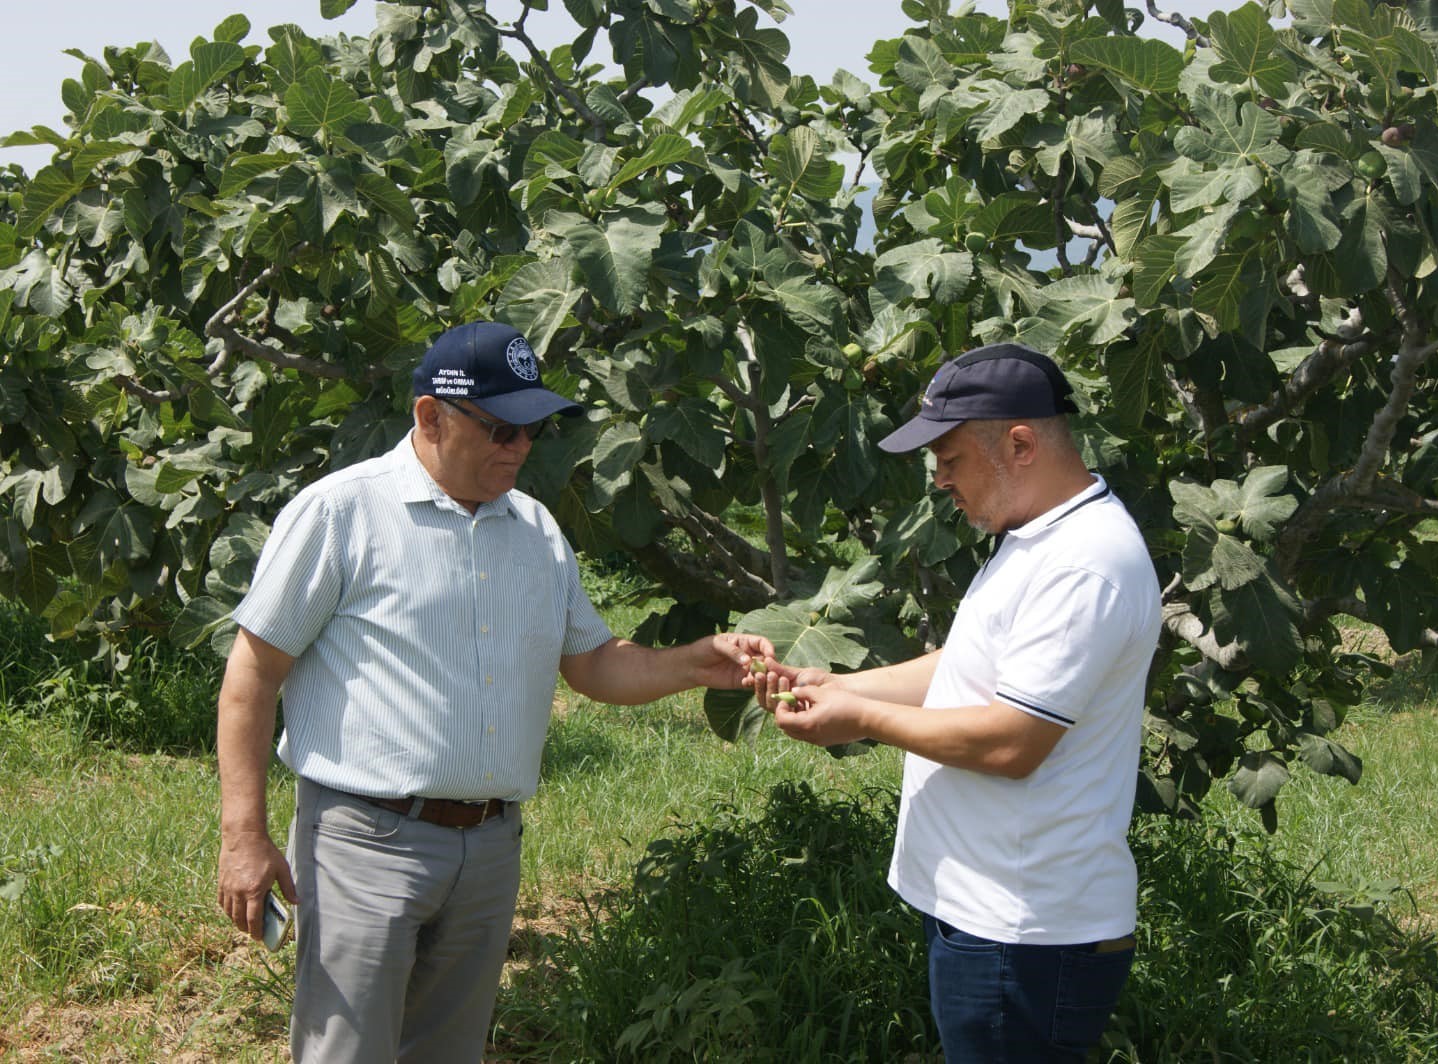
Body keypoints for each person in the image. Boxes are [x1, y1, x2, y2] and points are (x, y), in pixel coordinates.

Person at [216, 321, 772, 1063]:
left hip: (489, 847)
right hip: (364, 842)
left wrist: (696, 662)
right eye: (499, 428)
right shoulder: (342, 513)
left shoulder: (536, 531)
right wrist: (243, 836)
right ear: (429, 416)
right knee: (346, 1052)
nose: (518, 448)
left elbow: (594, 663)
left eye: (532, 430)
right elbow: (252, 675)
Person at [749, 342, 1161, 1063]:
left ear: (1021, 444)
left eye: (950, 460)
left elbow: (1011, 742)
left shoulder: (1084, 563)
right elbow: (970, 668)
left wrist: (862, 720)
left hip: (1025, 932)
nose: (940, 481)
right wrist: (839, 684)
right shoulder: (1036, 537)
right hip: (994, 918)